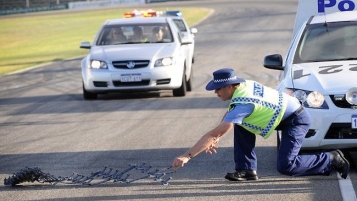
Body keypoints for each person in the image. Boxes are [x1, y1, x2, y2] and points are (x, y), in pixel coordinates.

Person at [171, 68, 350, 181]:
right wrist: (219, 132)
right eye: (214, 89)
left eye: (219, 88)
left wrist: (187, 156)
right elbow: (231, 115)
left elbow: (215, 132)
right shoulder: (243, 86)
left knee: (286, 166)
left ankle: (331, 158)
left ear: (231, 86)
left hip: (296, 120)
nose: (216, 92)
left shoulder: (244, 104)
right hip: (284, 113)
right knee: (239, 124)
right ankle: (246, 170)